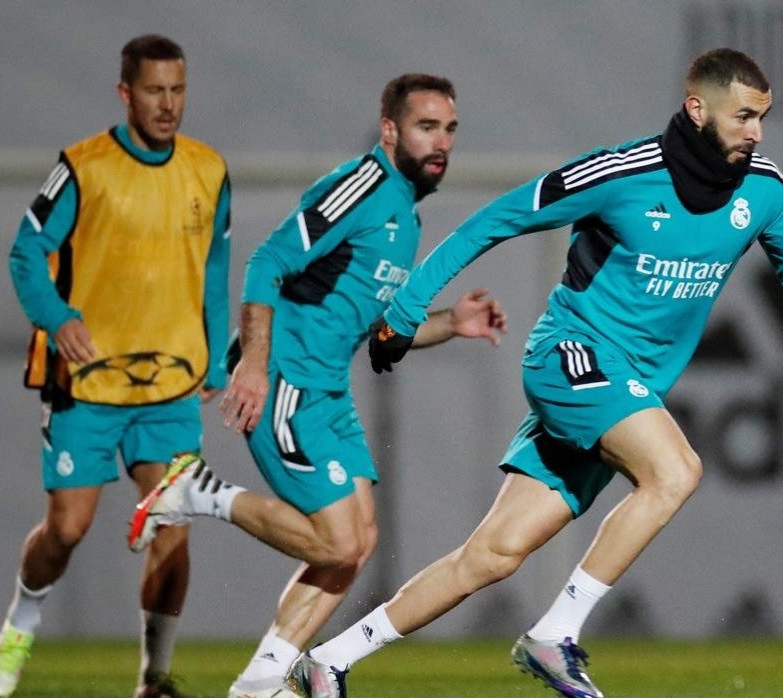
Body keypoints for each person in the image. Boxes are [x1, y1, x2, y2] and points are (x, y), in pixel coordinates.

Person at [288, 48, 783, 698]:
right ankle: (554, 635)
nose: (757, 132)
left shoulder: (762, 189)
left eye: (762, 117)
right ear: (697, 109)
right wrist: (406, 306)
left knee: (494, 556)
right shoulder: (624, 172)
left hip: (628, 388)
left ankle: (330, 660)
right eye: (744, 117)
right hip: (572, 358)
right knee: (676, 471)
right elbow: (497, 218)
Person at [126, 73, 508, 698]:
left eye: (450, 129)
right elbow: (267, 261)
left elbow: (379, 329)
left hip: (328, 392)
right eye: (426, 127)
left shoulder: (406, 216)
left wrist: (451, 324)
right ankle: (199, 491)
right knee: (335, 538)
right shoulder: (363, 185)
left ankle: (260, 681)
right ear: (390, 130)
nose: (442, 142)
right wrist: (249, 364)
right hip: (286, 384)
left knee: (355, 544)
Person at [0, 35, 231, 698]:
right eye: (155, 90)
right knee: (69, 527)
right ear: (126, 93)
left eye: (178, 90)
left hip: (170, 385)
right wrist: (57, 316)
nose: (168, 104)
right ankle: (22, 618)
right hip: (86, 381)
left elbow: (212, 267)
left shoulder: (209, 170)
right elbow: (24, 251)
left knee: (175, 525)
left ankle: (154, 678)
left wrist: (214, 351)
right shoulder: (83, 167)